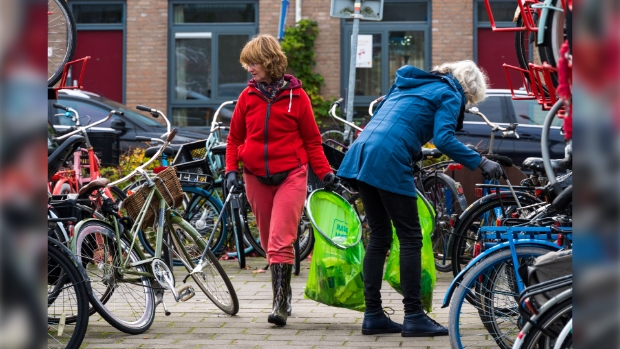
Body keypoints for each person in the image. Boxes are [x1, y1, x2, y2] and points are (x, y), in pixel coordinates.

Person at [337, 60, 503, 337]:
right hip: (388, 158)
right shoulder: (450, 93)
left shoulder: (411, 85)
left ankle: (373, 315)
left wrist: (412, 149)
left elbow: (392, 117)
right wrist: (481, 162)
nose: (466, 104)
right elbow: (444, 139)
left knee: (379, 236)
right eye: (470, 101)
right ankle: (414, 316)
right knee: (411, 237)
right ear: (469, 91)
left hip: (362, 151)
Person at [225, 34, 338, 326]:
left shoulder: (297, 97)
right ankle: (283, 293)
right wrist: (231, 170)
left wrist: (325, 171)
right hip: (255, 176)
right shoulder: (247, 97)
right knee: (266, 240)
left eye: (254, 62)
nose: (249, 68)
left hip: (292, 173)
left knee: (280, 240)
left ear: (270, 61)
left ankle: (279, 304)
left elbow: (313, 141)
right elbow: (234, 138)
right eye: (246, 63)